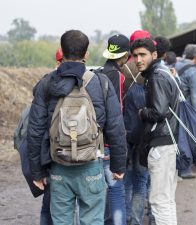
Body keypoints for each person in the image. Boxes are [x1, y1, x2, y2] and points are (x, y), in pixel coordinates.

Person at [27, 30, 127, 225]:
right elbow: (116, 127)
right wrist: (118, 165)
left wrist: (36, 172)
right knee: (92, 220)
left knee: (61, 220)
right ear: (86, 54)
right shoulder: (100, 83)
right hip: (91, 165)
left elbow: (35, 130)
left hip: (58, 166)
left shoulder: (47, 84)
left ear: (61, 52)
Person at [131, 37, 180, 225]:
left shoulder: (156, 76)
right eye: (135, 56)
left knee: (159, 201)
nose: (138, 60)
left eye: (142, 55)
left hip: (160, 143)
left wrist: (143, 112)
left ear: (154, 54)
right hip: (168, 142)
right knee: (167, 200)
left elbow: (159, 111)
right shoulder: (165, 72)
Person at [123, 29, 154, 225]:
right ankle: (138, 219)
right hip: (146, 133)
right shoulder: (152, 69)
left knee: (124, 180)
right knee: (142, 180)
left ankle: (124, 218)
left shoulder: (123, 68)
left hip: (125, 132)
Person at [100, 34, 130, 225]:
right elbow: (116, 111)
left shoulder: (99, 73)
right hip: (110, 143)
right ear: (125, 55)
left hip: (97, 141)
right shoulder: (117, 76)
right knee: (116, 189)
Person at [174, 44, 196, 179]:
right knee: (185, 138)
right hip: (186, 109)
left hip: (173, 107)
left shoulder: (176, 65)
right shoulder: (194, 71)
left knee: (177, 137)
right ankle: (185, 170)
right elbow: (195, 96)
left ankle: (177, 168)